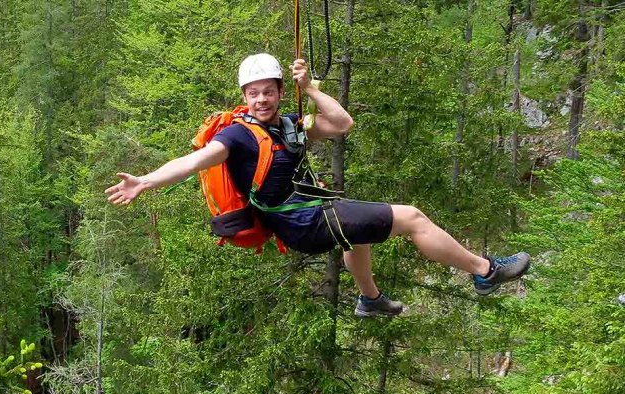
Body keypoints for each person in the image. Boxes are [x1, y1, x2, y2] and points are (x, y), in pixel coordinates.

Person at [106, 53, 530, 317]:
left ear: (278, 90)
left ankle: (369, 298)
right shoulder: (235, 136)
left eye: (268, 91)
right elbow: (192, 161)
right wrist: (146, 180)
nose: (261, 100)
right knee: (412, 218)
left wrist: (309, 89)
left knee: (358, 236)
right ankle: (484, 271)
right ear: (244, 95)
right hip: (303, 222)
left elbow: (342, 123)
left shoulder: (291, 126)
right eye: (253, 93)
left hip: (311, 213)